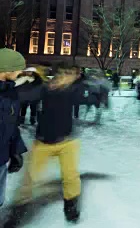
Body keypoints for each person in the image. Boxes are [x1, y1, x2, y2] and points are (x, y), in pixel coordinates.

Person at [10, 65, 83, 224]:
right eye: (68, 74)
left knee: (71, 176)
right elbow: (23, 95)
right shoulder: (44, 90)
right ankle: (19, 208)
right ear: (59, 75)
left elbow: (84, 90)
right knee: (30, 177)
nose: (71, 78)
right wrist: (27, 80)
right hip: (43, 142)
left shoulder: (73, 91)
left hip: (67, 141)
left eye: (73, 75)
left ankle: (70, 204)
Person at [0, 49, 28, 209]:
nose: (21, 72)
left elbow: (11, 124)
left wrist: (15, 150)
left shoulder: (10, 93)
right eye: (18, 68)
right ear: (6, 70)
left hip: (2, 159)